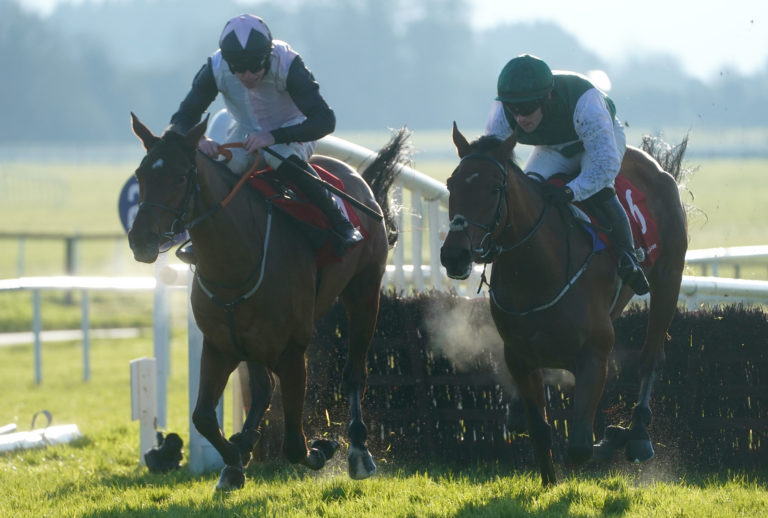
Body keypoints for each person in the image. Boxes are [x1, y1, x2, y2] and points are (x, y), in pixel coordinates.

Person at [168, 14, 362, 263]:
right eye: (239, 69)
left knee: (279, 154)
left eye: (255, 67)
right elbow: (182, 119)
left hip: (293, 127)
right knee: (223, 166)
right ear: (229, 63)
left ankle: (341, 223)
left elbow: (325, 121)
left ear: (268, 57)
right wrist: (199, 139)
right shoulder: (215, 67)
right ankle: (202, 237)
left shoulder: (288, 63)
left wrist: (273, 136)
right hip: (247, 128)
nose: (248, 75)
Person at [484, 53, 649, 295]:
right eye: (513, 108)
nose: (520, 117)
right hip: (554, 146)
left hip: (598, 141)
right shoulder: (500, 112)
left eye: (528, 108)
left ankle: (628, 259)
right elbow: (494, 161)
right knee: (528, 193)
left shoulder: (586, 102)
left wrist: (570, 191)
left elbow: (604, 167)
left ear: (547, 96)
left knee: (602, 191)